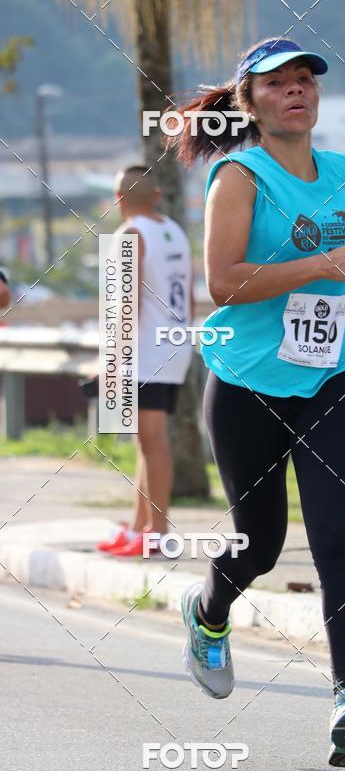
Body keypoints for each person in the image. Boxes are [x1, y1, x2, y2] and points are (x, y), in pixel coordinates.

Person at [170, 38, 345, 767]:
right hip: (248, 380)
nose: (297, 90)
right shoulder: (238, 177)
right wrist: (324, 263)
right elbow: (223, 282)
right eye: (278, 83)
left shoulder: (342, 173)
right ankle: (209, 612)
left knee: (340, 539)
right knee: (262, 543)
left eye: (305, 79)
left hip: (331, 375)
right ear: (250, 103)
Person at [97, 166, 193, 557]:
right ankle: (139, 527)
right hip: (175, 343)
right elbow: (188, 293)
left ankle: (158, 532)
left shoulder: (129, 235)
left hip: (145, 350)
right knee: (147, 442)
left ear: (118, 200)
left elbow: (127, 303)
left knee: (152, 442)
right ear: (156, 195)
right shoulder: (175, 230)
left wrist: (112, 359)